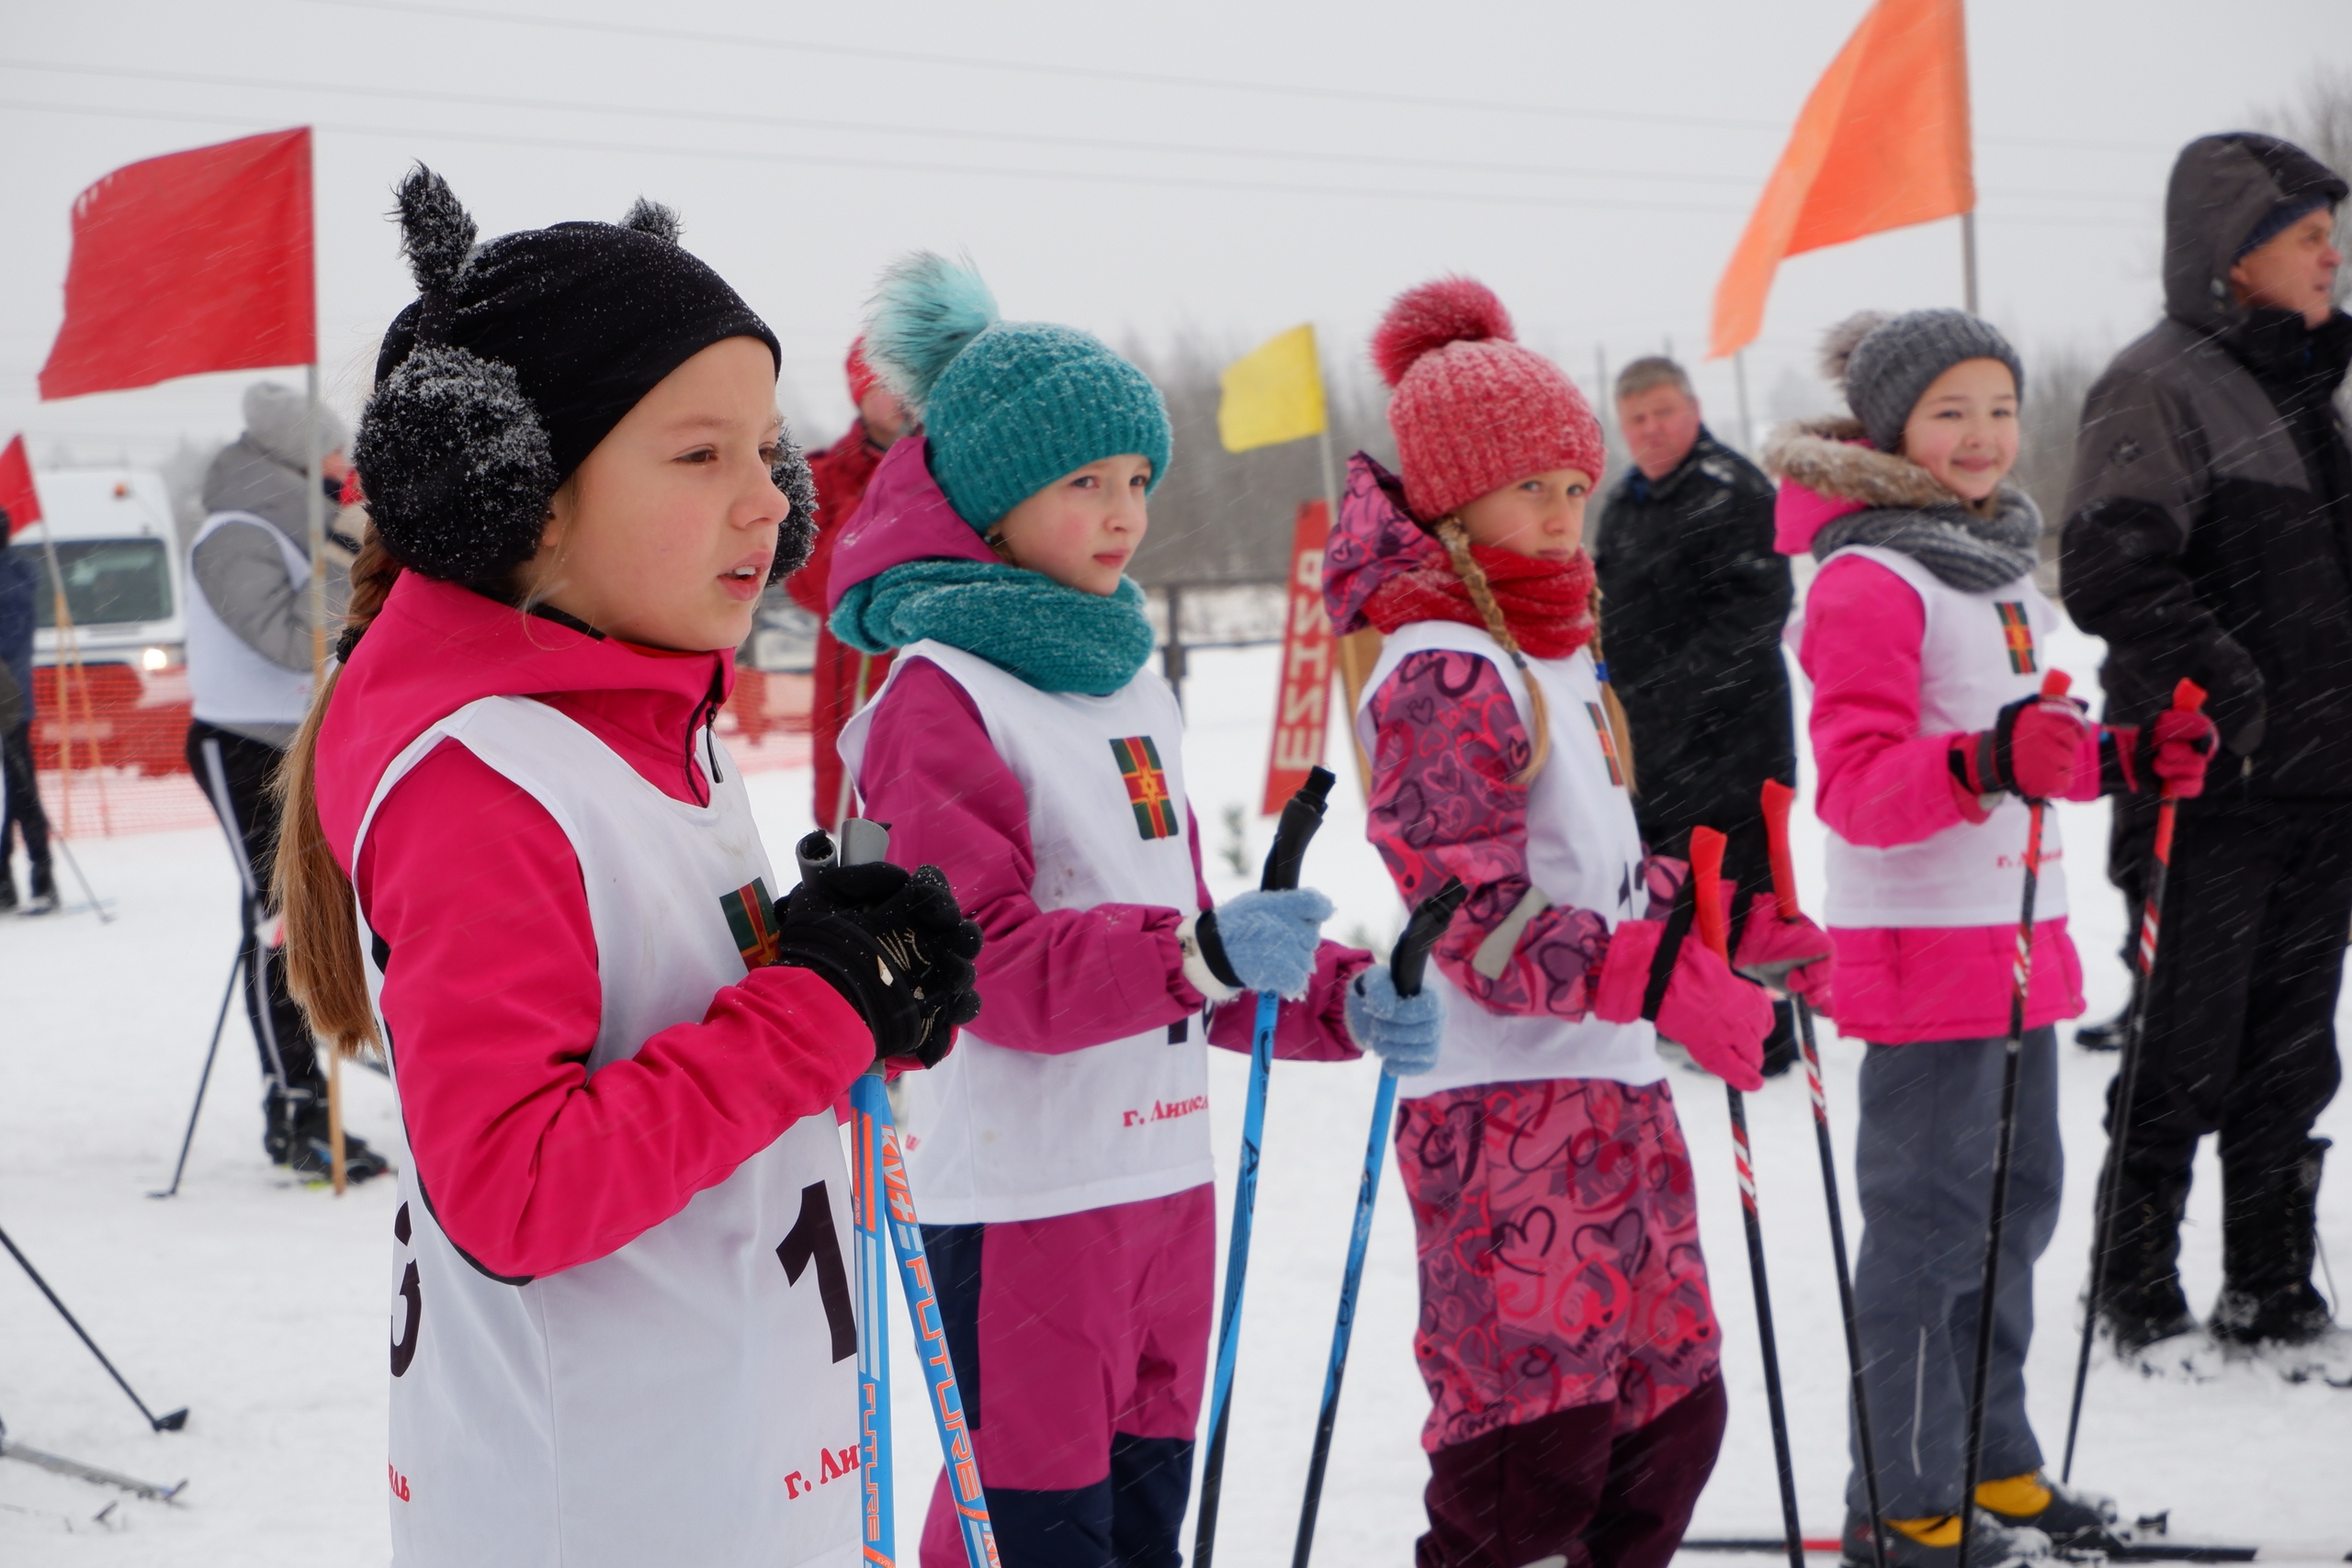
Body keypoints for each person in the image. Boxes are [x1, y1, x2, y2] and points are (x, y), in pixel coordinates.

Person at [274, 170, 979, 1567]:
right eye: (698, 455)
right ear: (515, 490)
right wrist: (815, 1011)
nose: (767, 502)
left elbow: (677, 1039)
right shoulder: (488, 784)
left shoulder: (652, 722)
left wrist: (848, 981)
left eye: (766, 451)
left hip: (734, 1462)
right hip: (610, 1504)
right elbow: (517, 1185)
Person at [828, 254, 1401, 1568]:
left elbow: (1181, 936)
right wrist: (1198, 956)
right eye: (1084, 482)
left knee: (1143, 1524)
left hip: (1162, 1186)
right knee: (1035, 1537)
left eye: (1139, 479)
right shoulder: (940, 694)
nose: (1124, 515)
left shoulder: (1129, 681)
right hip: (1026, 1193)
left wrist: (1337, 999)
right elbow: (981, 964)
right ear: (993, 496)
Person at [1324, 277, 1805, 1568]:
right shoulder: (1442, 666)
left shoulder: (1560, 655)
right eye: (1527, 485)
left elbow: (1601, 881)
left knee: (1668, 1424)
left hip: (1617, 1094)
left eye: (1574, 485)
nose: (1559, 511)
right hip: (1503, 1119)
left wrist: (1726, 922)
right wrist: (1655, 976)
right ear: (1452, 502)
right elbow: (1469, 912)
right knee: (1529, 1462)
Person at [1771, 309, 2214, 1568]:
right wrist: (1985, 760)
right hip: (1923, 955)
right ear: (1890, 429)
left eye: (2001, 409)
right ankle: (1900, 1500)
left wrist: (2127, 757)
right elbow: (1859, 786)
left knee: (2013, 1213)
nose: (1982, 435)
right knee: (1927, 1229)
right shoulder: (1871, 579)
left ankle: (1989, 1461)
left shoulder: (1999, 562)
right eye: (1950, 412)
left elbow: (2030, 749)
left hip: (2016, 949)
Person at [2060, 132, 2352, 1373]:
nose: (2332, 255)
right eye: (2309, 235)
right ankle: (2133, 1285)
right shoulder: (2157, 383)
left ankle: (2270, 1286)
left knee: (2293, 1048)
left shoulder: (2302, 389)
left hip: (2321, 785)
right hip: (2210, 785)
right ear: (2236, 256)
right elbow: (2112, 570)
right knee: (2186, 1042)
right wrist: (2230, 687)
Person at [182, 380, 389, 1178]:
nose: (344, 464)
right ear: (295, 459)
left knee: (325, 908)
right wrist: (343, 554)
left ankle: (330, 1058)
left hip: (306, 739)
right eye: (331, 450)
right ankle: (295, 1106)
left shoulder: (300, 520)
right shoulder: (235, 530)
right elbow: (284, 637)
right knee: (280, 922)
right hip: (245, 743)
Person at [1592, 356, 1800, 1075]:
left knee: (1740, 893)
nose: (1651, 429)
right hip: (1650, 743)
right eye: (1636, 418)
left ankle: (1761, 1034)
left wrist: (1669, 697)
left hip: (1732, 739)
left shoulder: (1732, 490)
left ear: (1694, 410)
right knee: (1672, 888)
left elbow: (1754, 614)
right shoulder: (1624, 503)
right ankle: (1693, 1016)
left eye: (1663, 413)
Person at [791, 337, 910, 829]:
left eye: (909, 383)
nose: (900, 396)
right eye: (884, 384)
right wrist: (875, 500)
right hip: (851, 675)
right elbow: (811, 585)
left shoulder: (949, 470)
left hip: (926, 661)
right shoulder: (823, 478)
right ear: (860, 393)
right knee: (856, 818)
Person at [0, 511, 53, 913]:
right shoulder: (17, 575)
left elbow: (9, 641)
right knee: (19, 791)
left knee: (19, 791)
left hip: (8, 702)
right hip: (15, 702)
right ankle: (35, 875)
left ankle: (33, 876)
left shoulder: (9, 580)